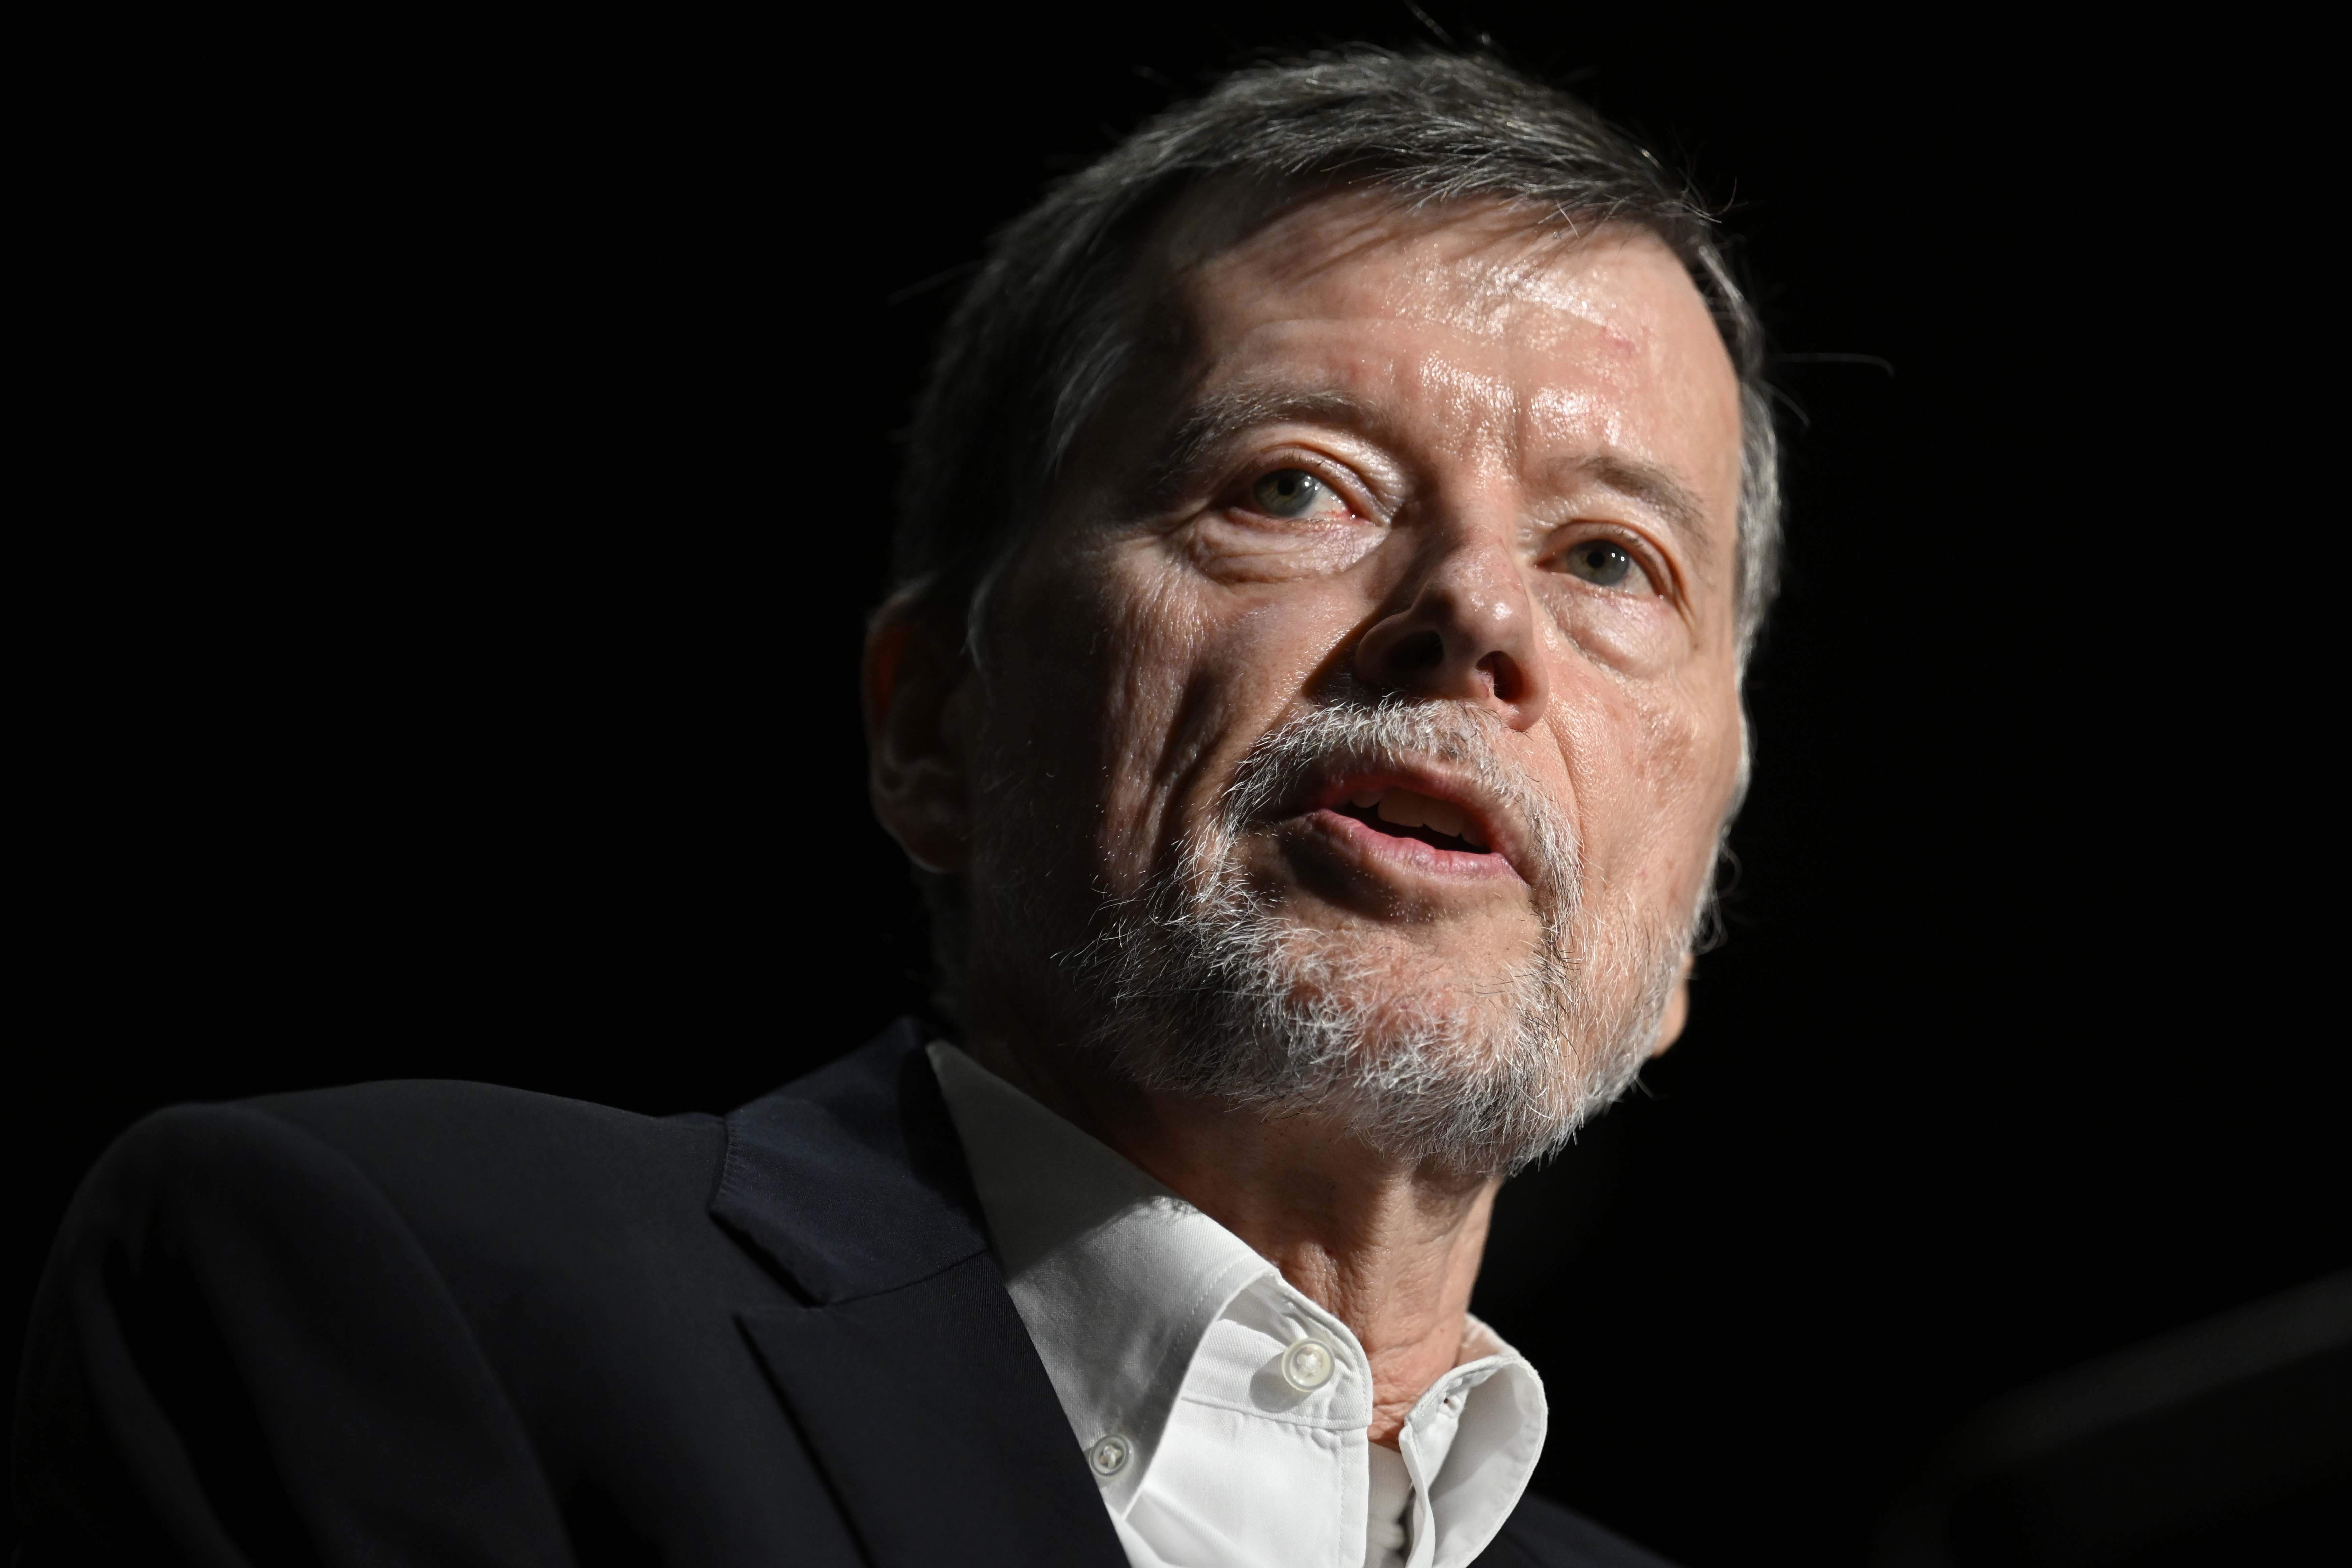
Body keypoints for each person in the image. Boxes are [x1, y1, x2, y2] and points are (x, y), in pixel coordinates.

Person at [13, 47, 1777, 1568]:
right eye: (1299, 485)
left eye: (1611, 557)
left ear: (1693, 904)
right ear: (935, 722)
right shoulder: (396, 1292)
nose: (1475, 609)